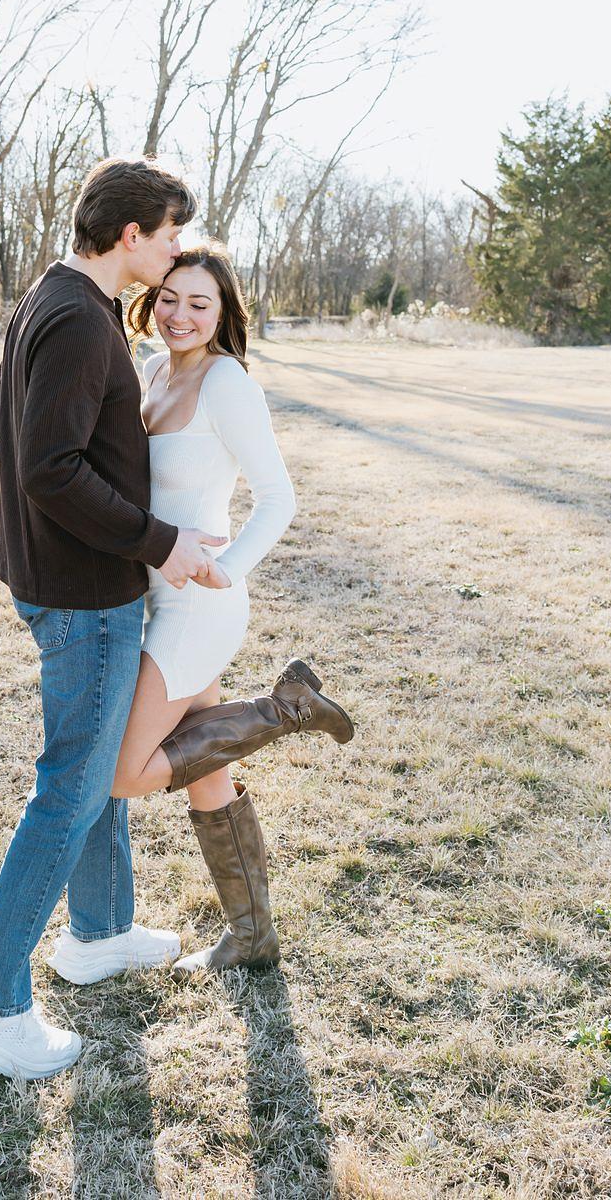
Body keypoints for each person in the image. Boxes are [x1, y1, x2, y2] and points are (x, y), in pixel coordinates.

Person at [0, 157, 230, 1080]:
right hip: (84, 594)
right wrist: (157, 540)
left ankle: (98, 933)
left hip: (60, 578)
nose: (178, 248)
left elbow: (0, 413)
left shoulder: (56, 302)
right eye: (171, 232)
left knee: (96, 766)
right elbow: (46, 467)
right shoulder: (75, 317)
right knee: (70, 787)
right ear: (132, 234)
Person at [106, 244, 355, 974]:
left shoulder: (226, 383)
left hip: (198, 607)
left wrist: (228, 568)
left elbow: (279, 497)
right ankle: (253, 939)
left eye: (200, 303)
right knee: (207, 769)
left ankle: (287, 710)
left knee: (128, 770)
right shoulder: (155, 371)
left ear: (223, 315)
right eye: (171, 298)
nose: (180, 314)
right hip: (154, 595)